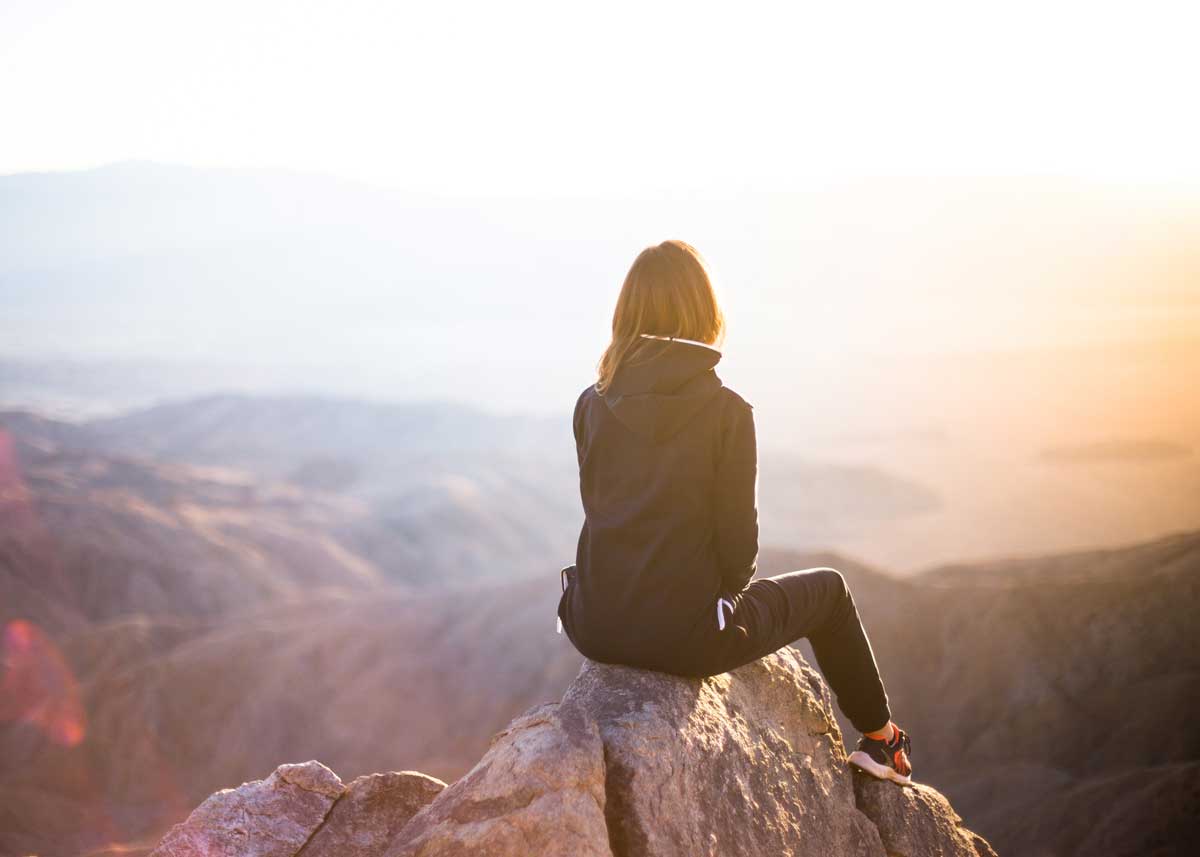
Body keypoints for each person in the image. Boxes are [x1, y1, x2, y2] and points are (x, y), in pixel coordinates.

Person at [556, 239, 913, 785]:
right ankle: (881, 740)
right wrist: (712, 606)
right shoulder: (727, 413)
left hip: (592, 623)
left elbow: (601, 510)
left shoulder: (590, 402)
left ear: (625, 313)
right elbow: (739, 555)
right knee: (832, 592)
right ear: (705, 312)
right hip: (687, 638)